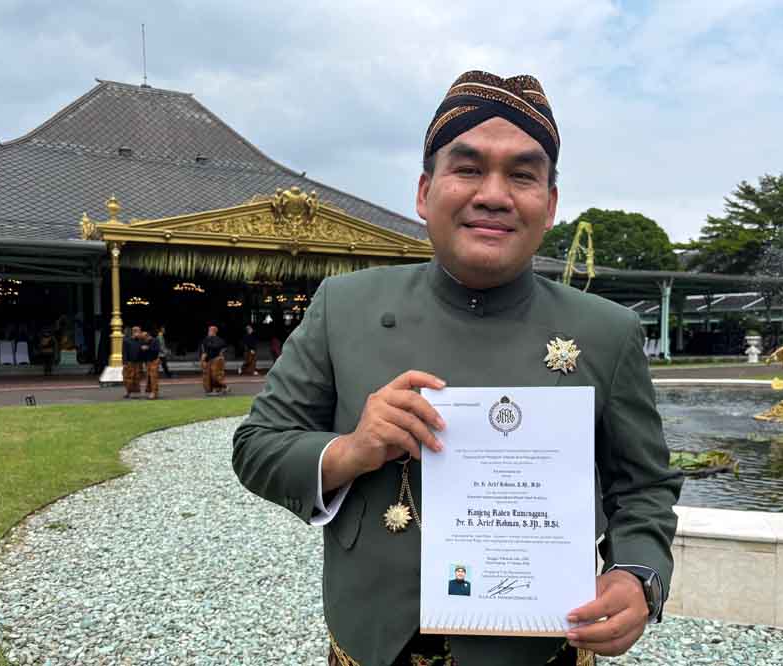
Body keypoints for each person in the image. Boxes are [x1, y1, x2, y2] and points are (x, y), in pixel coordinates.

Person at [232, 70, 681, 666]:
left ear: (549, 205)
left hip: (540, 649)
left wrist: (637, 575)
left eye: (522, 175)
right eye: (468, 169)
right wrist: (352, 450)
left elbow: (644, 487)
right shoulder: (345, 307)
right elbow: (257, 446)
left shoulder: (606, 332)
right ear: (424, 192)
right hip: (373, 640)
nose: (493, 194)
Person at [200, 325, 229, 395]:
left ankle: (222, 387)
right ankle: (209, 390)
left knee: (215, 375)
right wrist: (203, 358)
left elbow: (223, 348)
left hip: (216, 359)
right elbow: (203, 349)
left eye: (210, 330)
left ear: (214, 331)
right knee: (207, 376)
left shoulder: (219, 340)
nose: (209, 332)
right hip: (208, 359)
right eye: (209, 330)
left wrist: (221, 353)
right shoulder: (206, 339)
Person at [122, 325, 143, 398]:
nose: (140, 333)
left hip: (138, 362)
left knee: (137, 377)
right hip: (129, 362)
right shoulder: (126, 341)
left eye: (140, 332)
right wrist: (124, 363)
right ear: (134, 332)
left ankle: (135, 393)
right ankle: (128, 392)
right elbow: (124, 352)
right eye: (139, 332)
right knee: (128, 378)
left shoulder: (140, 341)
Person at [140, 329, 162, 399]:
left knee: (153, 377)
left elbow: (157, 350)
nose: (144, 341)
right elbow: (143, 353)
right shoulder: (145, 342)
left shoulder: (155, 341)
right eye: (143, 339)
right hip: (148, 362)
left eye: (144, 339)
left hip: (154, 361)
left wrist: (148, 348)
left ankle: (154, 393)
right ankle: (153, 392)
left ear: (148, 336)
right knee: (149, 378)